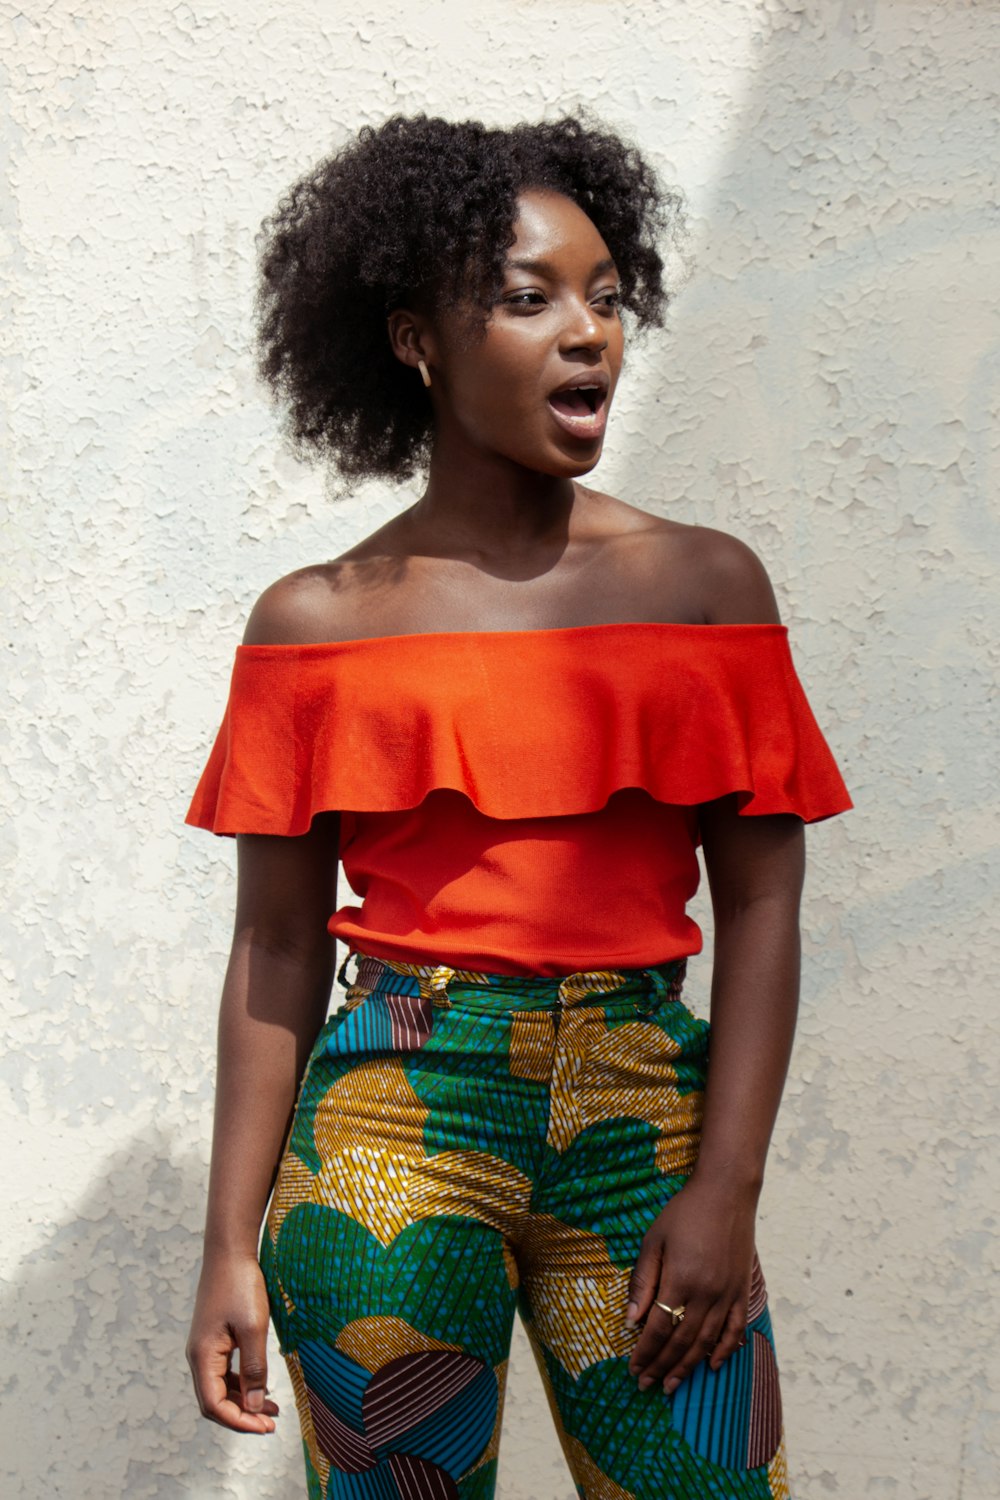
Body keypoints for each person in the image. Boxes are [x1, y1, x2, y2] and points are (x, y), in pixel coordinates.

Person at [184, 112, 852, 1500]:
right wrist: (226, 1244)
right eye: (528, 297)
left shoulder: (705, 587)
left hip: (645, 1112)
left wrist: (728, 1182)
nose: (589, 331)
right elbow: (278, 952)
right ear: (418, 340)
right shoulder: (315, 624)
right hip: (393, 1117)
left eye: (609, 297)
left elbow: (766, 905)